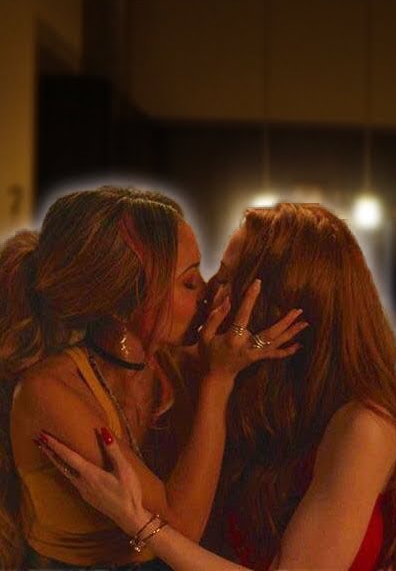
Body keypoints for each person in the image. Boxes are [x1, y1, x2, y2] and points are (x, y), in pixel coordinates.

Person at [36, 202, 396, 570]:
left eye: (223, 278)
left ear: (275, 306)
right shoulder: (246, 385)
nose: (209, 291)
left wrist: (137, 521)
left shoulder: (364, 426)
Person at [1, 186, 302, 569]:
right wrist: (218, 383)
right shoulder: (49, 391)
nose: (209, 292)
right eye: (189, 282)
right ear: (122, 302)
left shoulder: (173, 364)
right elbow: (182, 528)